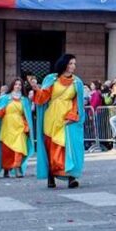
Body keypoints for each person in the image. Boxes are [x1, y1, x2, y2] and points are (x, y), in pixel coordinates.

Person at [29, 54, 86, 189]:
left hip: (67, 117)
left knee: (68, 146)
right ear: (65, 64)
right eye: (71, 63)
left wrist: (72, 117)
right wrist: (36, 88)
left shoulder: (77, 82)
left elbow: (77, 103)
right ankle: (51, 175)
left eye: (74, 64)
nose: (73, 66)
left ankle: (71, 177)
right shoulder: (51, 79)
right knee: (52, 147)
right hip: (52, 117)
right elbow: (42, 98)